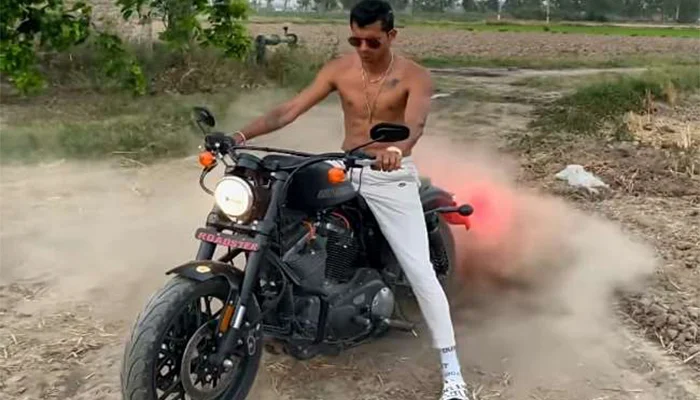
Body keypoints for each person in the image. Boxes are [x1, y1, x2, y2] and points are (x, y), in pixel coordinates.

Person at [228, 1, 470, 399]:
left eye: (371, 41)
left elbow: (415, 125)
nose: (362, 48)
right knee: (283, 220)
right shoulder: (339, 70)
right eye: (354, 39)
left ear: (391, 36)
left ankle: (452, 372)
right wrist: (238, 137)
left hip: (388, 173)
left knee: (419, 268)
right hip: (344, 165)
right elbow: (289, 110)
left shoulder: (415, 77)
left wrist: (397, 150)